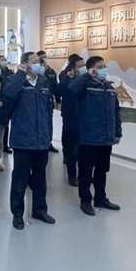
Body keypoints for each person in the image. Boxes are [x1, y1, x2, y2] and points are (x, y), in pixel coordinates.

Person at [3, 52, 55, 230]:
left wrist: (48, 135)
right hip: (22, 140)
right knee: (20, 180)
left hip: (41, 140)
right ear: (25, 64)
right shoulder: (17, 82)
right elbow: (7, 95)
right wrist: (20, 74)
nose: (39, 64)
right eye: (34, 62)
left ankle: (40, 210)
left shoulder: (44, 83)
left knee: (40, 179)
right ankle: (17, 214)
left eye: (39, 61)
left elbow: (48, 111)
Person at [68, 56, 122, 216]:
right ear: (92, 69)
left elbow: (116, 111)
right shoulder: (85, 87)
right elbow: (71, 89)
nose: (104, 69)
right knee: (86, 171)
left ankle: (100, 198)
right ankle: (85, 200)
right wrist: (87, 76)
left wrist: (117, 131)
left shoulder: (109, 88)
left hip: (106, 138)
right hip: (89, 138)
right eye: (100, 67)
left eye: (105, 66)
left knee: (102, 170)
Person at [55, 55, 86, 187]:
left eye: (84, 66)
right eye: (80, 66)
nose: (83, 68)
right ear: (73, 68)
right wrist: (68, 78)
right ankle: (72, 175)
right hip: (71, 119)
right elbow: (58, 91)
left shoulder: (87, 80)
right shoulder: (67, 79)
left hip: (85, 120)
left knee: (83, 150)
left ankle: (83, 175)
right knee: (72, 150)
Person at [37, 51, 59, 153]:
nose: (44, 59)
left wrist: (57, 99)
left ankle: (48, 142)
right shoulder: (36, 71)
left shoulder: (51, 72)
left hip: (48, 101)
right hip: (38, 101)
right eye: (41, 58)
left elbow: (55, 86)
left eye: (45, 57)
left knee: (49, 123)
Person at [0, 55, 14, 154]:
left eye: (5, 60)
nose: (4, 61)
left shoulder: (10, 73)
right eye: (2, 60)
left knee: (6, 126)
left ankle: (5, 145)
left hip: (7, 104)